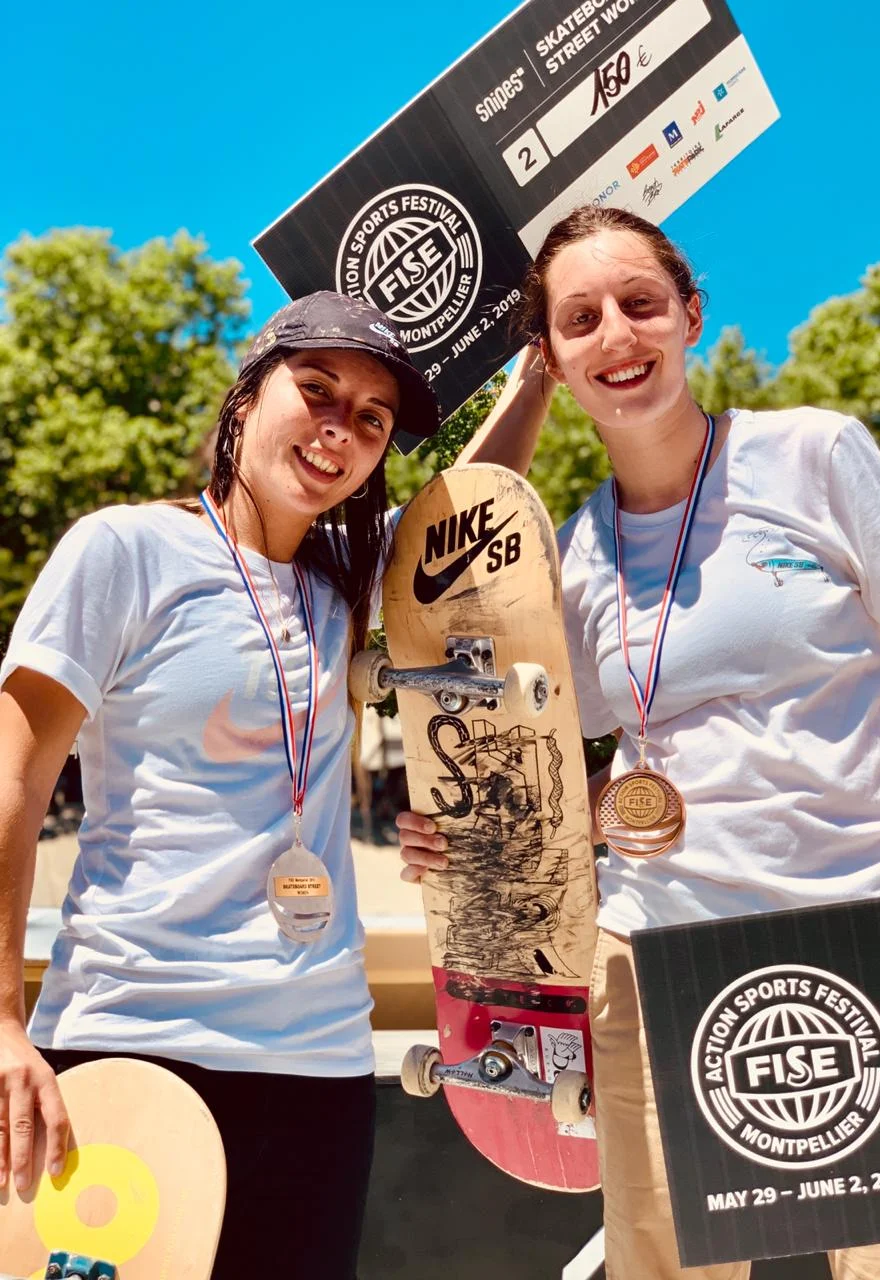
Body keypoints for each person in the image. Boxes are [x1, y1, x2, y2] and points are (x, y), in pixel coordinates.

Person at [396, 205, 880, 1280]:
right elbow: (444, 582)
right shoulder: (567, 555)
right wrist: (525, 390)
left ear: (691, 314)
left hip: (861, 926)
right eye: (579, 318)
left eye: (640, 303)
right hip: (656, 949)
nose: (617, 332)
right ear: (556, 352)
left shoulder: (815, 454)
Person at [0, 291, 440, 1278]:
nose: (341, 429)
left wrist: (539, 371)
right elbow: (13, 790)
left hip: (319, 1071)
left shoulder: (346, 592)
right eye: (316, 390)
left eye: (371, 420)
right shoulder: (124, 549)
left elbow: (481, 509)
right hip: (129, 1043)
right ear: (245, 400)